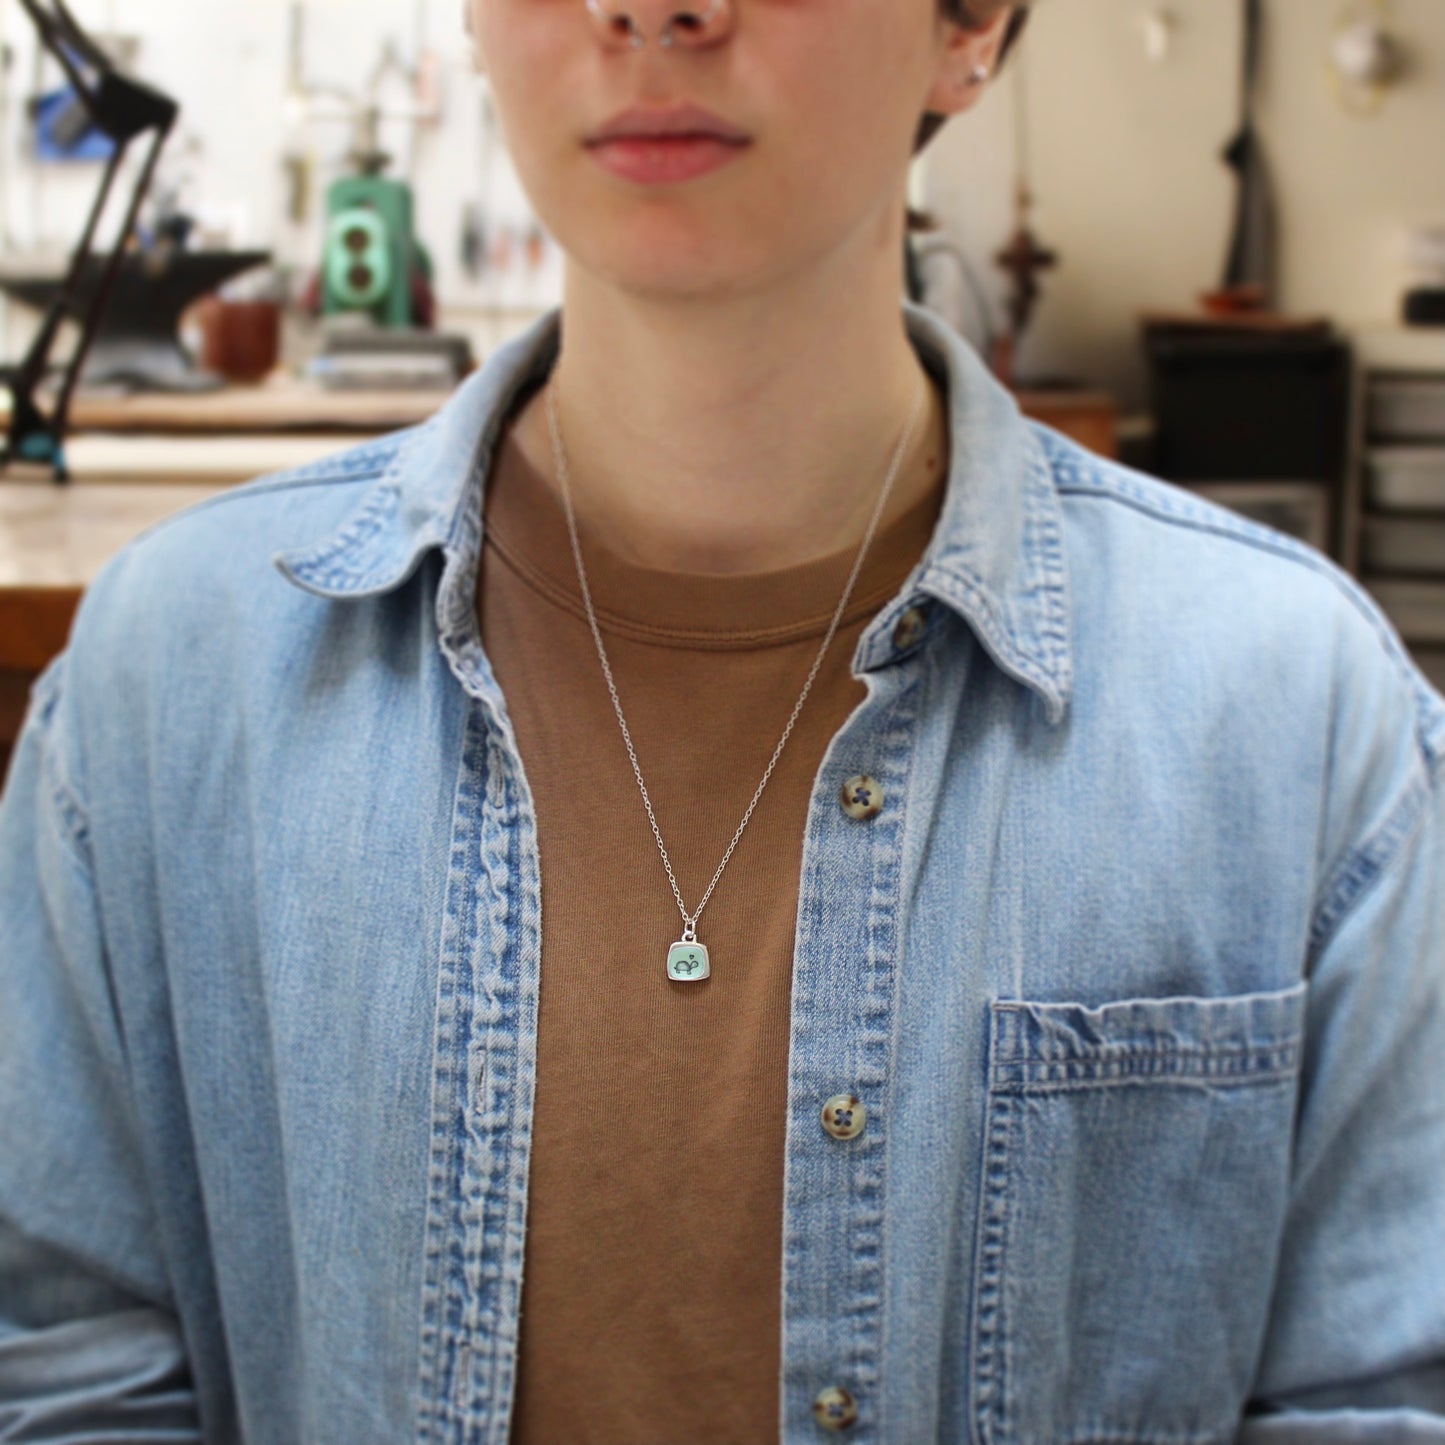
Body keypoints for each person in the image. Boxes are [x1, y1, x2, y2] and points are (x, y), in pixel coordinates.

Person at [1, 0, 1442, 1440]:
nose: (648, 6)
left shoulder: (1290, 719)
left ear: (972, 26)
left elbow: (1371, 1398)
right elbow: (63, 1374)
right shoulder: (168, 692)